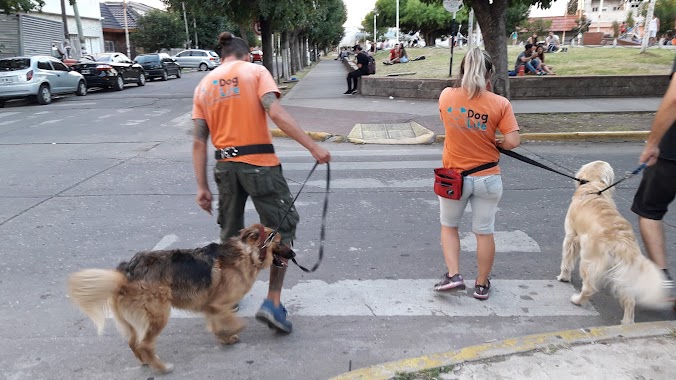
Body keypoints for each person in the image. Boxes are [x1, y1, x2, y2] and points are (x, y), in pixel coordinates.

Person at [191, 32, 331, 334]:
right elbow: (275, 111)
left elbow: (199, 142)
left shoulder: (204, 85)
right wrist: (313, 147)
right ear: (247, 54)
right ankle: (273, 302)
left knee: (229, 235)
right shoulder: (255, 71)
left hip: (225, 167)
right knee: (281, 232)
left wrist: (202, 187)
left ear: (221, 57)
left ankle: (226, 298)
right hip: (260, 165)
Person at [435, 48, 521, 300]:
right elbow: (513, 141)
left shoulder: (446, 96)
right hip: (487, 177)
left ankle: (454, 275)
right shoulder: (500, 103)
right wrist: (497, 144)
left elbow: (449, 124)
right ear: (489, 74)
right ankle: (481, 285)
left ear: (461, 70)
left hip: (453, 178)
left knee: (449, 226)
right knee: (484, 231)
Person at [631, 58, 676, 299]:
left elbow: (674, 99)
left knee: (649, 209)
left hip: (672, 152)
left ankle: (662, 281)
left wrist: (653, 143)